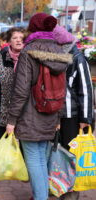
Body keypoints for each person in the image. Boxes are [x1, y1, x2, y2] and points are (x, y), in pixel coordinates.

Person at [6, 13, 72, 200]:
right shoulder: (61, 52)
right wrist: (58, 116)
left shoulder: (29, 52)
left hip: (30, 113)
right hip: (51, 112)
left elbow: (21, 90)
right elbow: (62, 88)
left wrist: (12, 119)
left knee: (34, 159)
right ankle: (40, 196)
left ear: (33, 27)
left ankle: (40, 197)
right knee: (42, 158)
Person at [52, 25, 94, 200]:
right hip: (53, 115)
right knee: (56, 151)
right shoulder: (54, 58)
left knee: (71, 152)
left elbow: (86, 89)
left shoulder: (77, 58)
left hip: (71, 116)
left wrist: (85, 118)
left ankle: (71, 190)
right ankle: (56, 184)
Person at [0, 27, 25, 149]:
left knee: (22, 146)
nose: (18, 41)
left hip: (24, 110)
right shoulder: (0, 58)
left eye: (21, 38)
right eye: (15, 38)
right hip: (1, 107)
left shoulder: (29, 58)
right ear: (9, 41)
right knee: (0, 145)